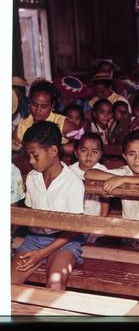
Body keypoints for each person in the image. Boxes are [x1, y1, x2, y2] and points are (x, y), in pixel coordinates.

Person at [11, 121, 86, 290]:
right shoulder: (32, 178)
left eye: (35, 155)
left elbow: (75, 229)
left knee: (55, 286)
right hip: (35, 239)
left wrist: (42, 254)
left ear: (53, 151)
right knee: (8, 284)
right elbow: (31, 214)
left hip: (65, 240)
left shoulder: (72, 183)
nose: (31, 161)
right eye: (28, 155)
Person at [84, 130, 139, 251]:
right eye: (131, 154)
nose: (137, 159)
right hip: (132, 232)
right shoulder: (124, 172)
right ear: (125, 157)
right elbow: (89, 173)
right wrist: (120, 178)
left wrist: (123, 180)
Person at [13, 79, 79, 155]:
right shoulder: (22, 126)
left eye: (44, 106)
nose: (38, 110)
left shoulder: (63, 123)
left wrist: (59, 148)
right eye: (34, 105)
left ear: (52, 105)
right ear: (30, 101)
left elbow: (85, 144)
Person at [69, 132, 110, 242]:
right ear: (76, 152)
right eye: (84, 151)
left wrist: (103, 221)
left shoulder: (103, 171)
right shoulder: (69, 171)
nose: (89, 156)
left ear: (101, 154)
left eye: (95, 152)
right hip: (73, 218)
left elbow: (105, 198)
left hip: (94, 218)